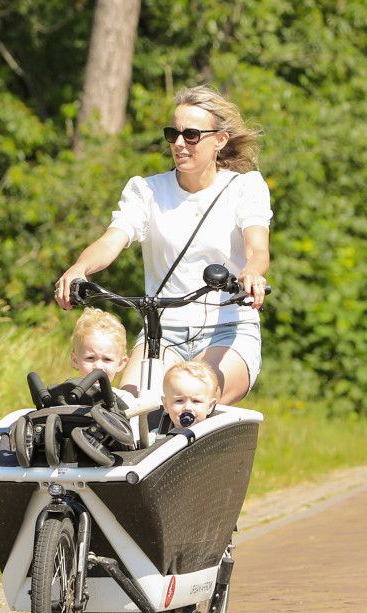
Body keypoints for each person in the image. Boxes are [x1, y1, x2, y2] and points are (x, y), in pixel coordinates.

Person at [54, 84, 272, 405]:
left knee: (192, 397)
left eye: (192, 135)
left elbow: (258, 248)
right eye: (174, 134)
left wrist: (252, 274)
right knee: (128, 408)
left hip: (226, 327)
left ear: (220, 140)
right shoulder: (147, 191)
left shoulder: (245, 187)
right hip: (162, 333)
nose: (180, 144)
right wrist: (79, 268)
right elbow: (112, 239)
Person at [70, 307, 130, 387]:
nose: (98, 366)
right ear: (75, 360)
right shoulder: (66, 396)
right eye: (90, 358)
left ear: (120, 363)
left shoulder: (124, 398)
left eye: (107, 359)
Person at [161, 360, 220, 430]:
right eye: (179, 400)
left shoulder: (215, 437)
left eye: (196, 401)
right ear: (166, 405)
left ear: (210, 406)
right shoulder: (156, 437)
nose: (187, 408)